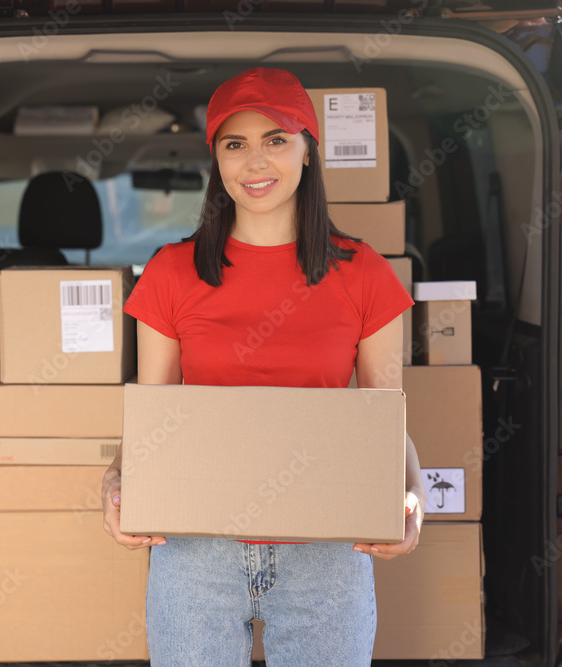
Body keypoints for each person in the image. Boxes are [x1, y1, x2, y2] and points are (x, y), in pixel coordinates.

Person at [101, 67, 425, 665]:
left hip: (326, 547)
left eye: (276, 139)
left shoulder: (364, 273)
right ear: (217, 163)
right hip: (195, 543)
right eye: (235, 144)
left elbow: (385, 415)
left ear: (308, 152)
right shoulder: (172, 272)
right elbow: (152, 418)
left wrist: (412, 496)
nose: (255, 162)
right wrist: (114, 482)